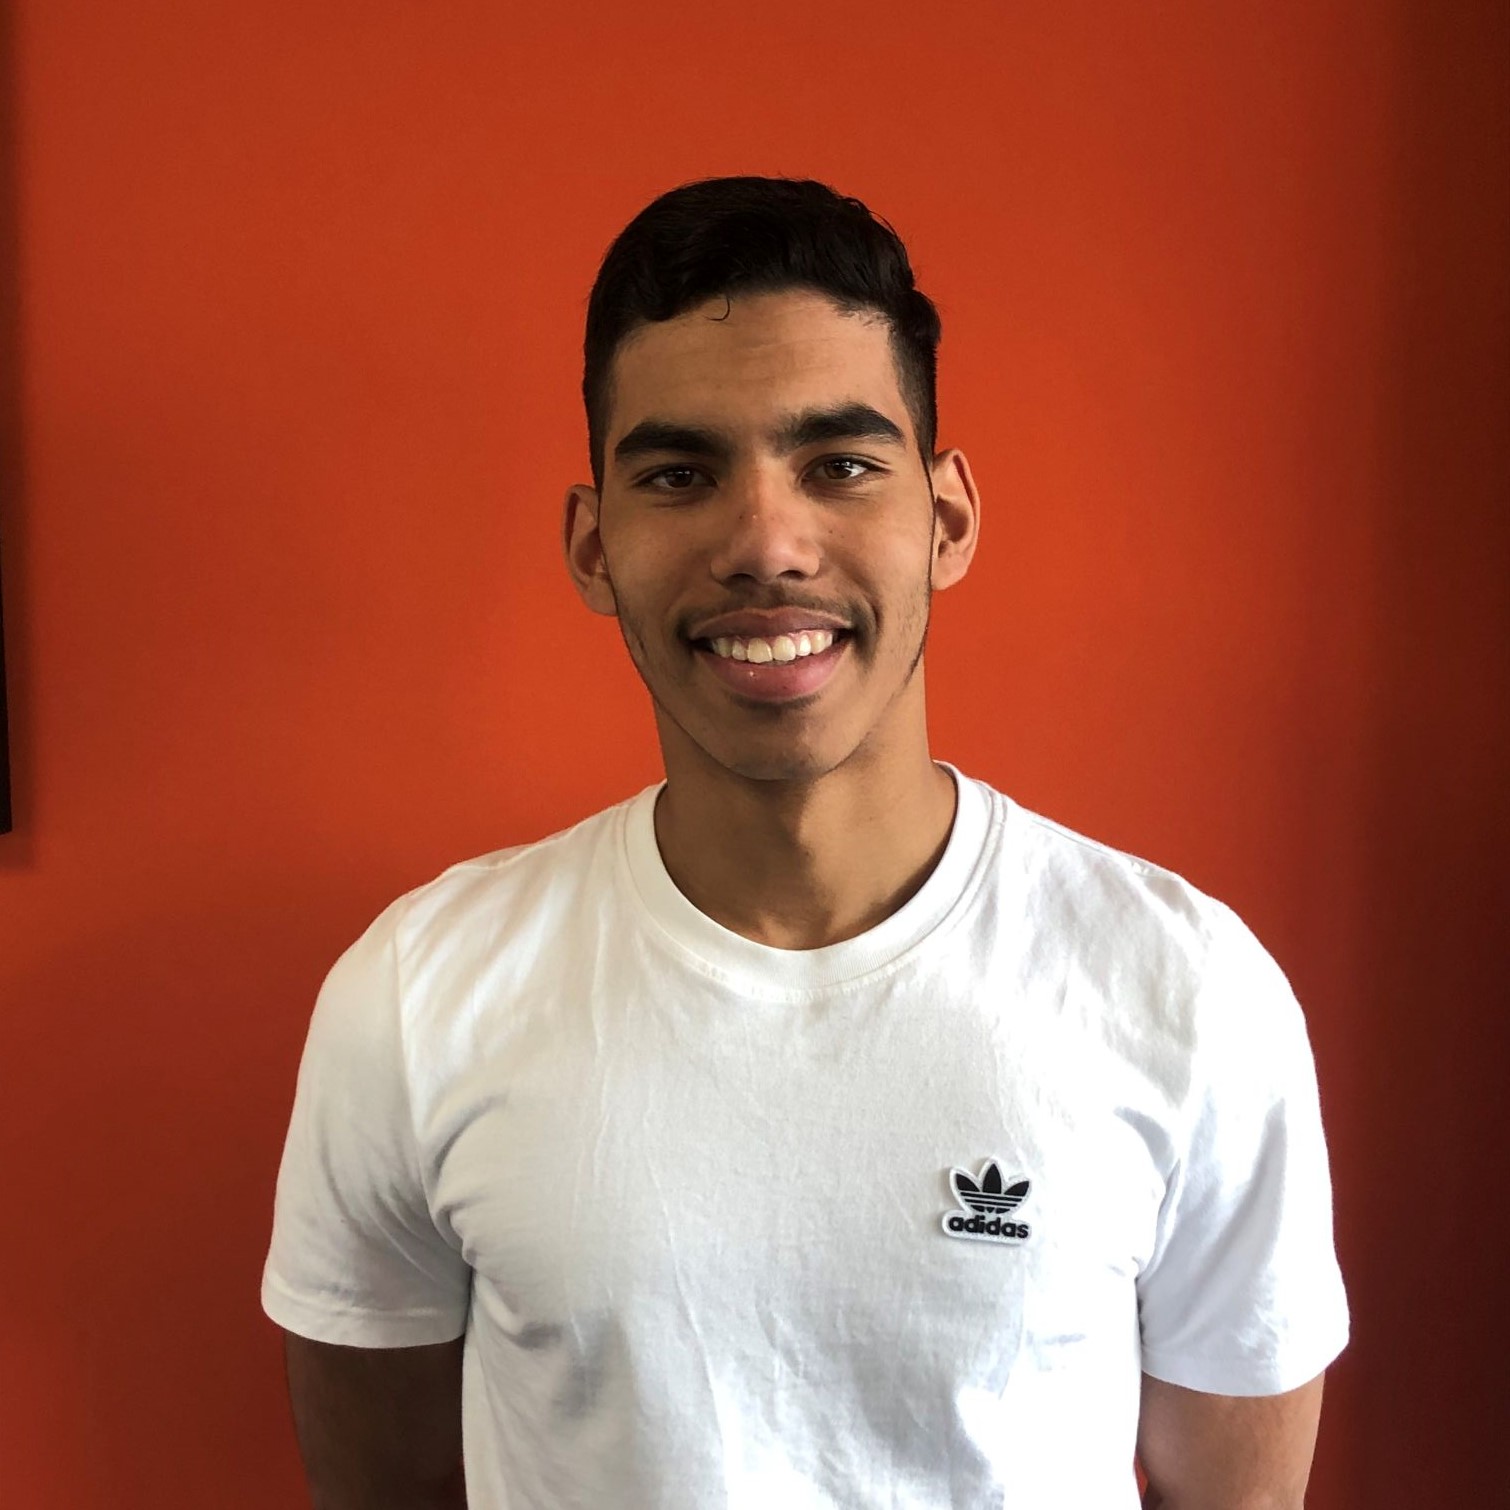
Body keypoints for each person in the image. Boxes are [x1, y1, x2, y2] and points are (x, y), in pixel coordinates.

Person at [262, 176, 1349, 1509]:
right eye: (680, 475)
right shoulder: (415, 996)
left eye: (839, 464)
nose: (765, 543)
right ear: (595, 546)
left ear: (945, 521)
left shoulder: (1187, 988)